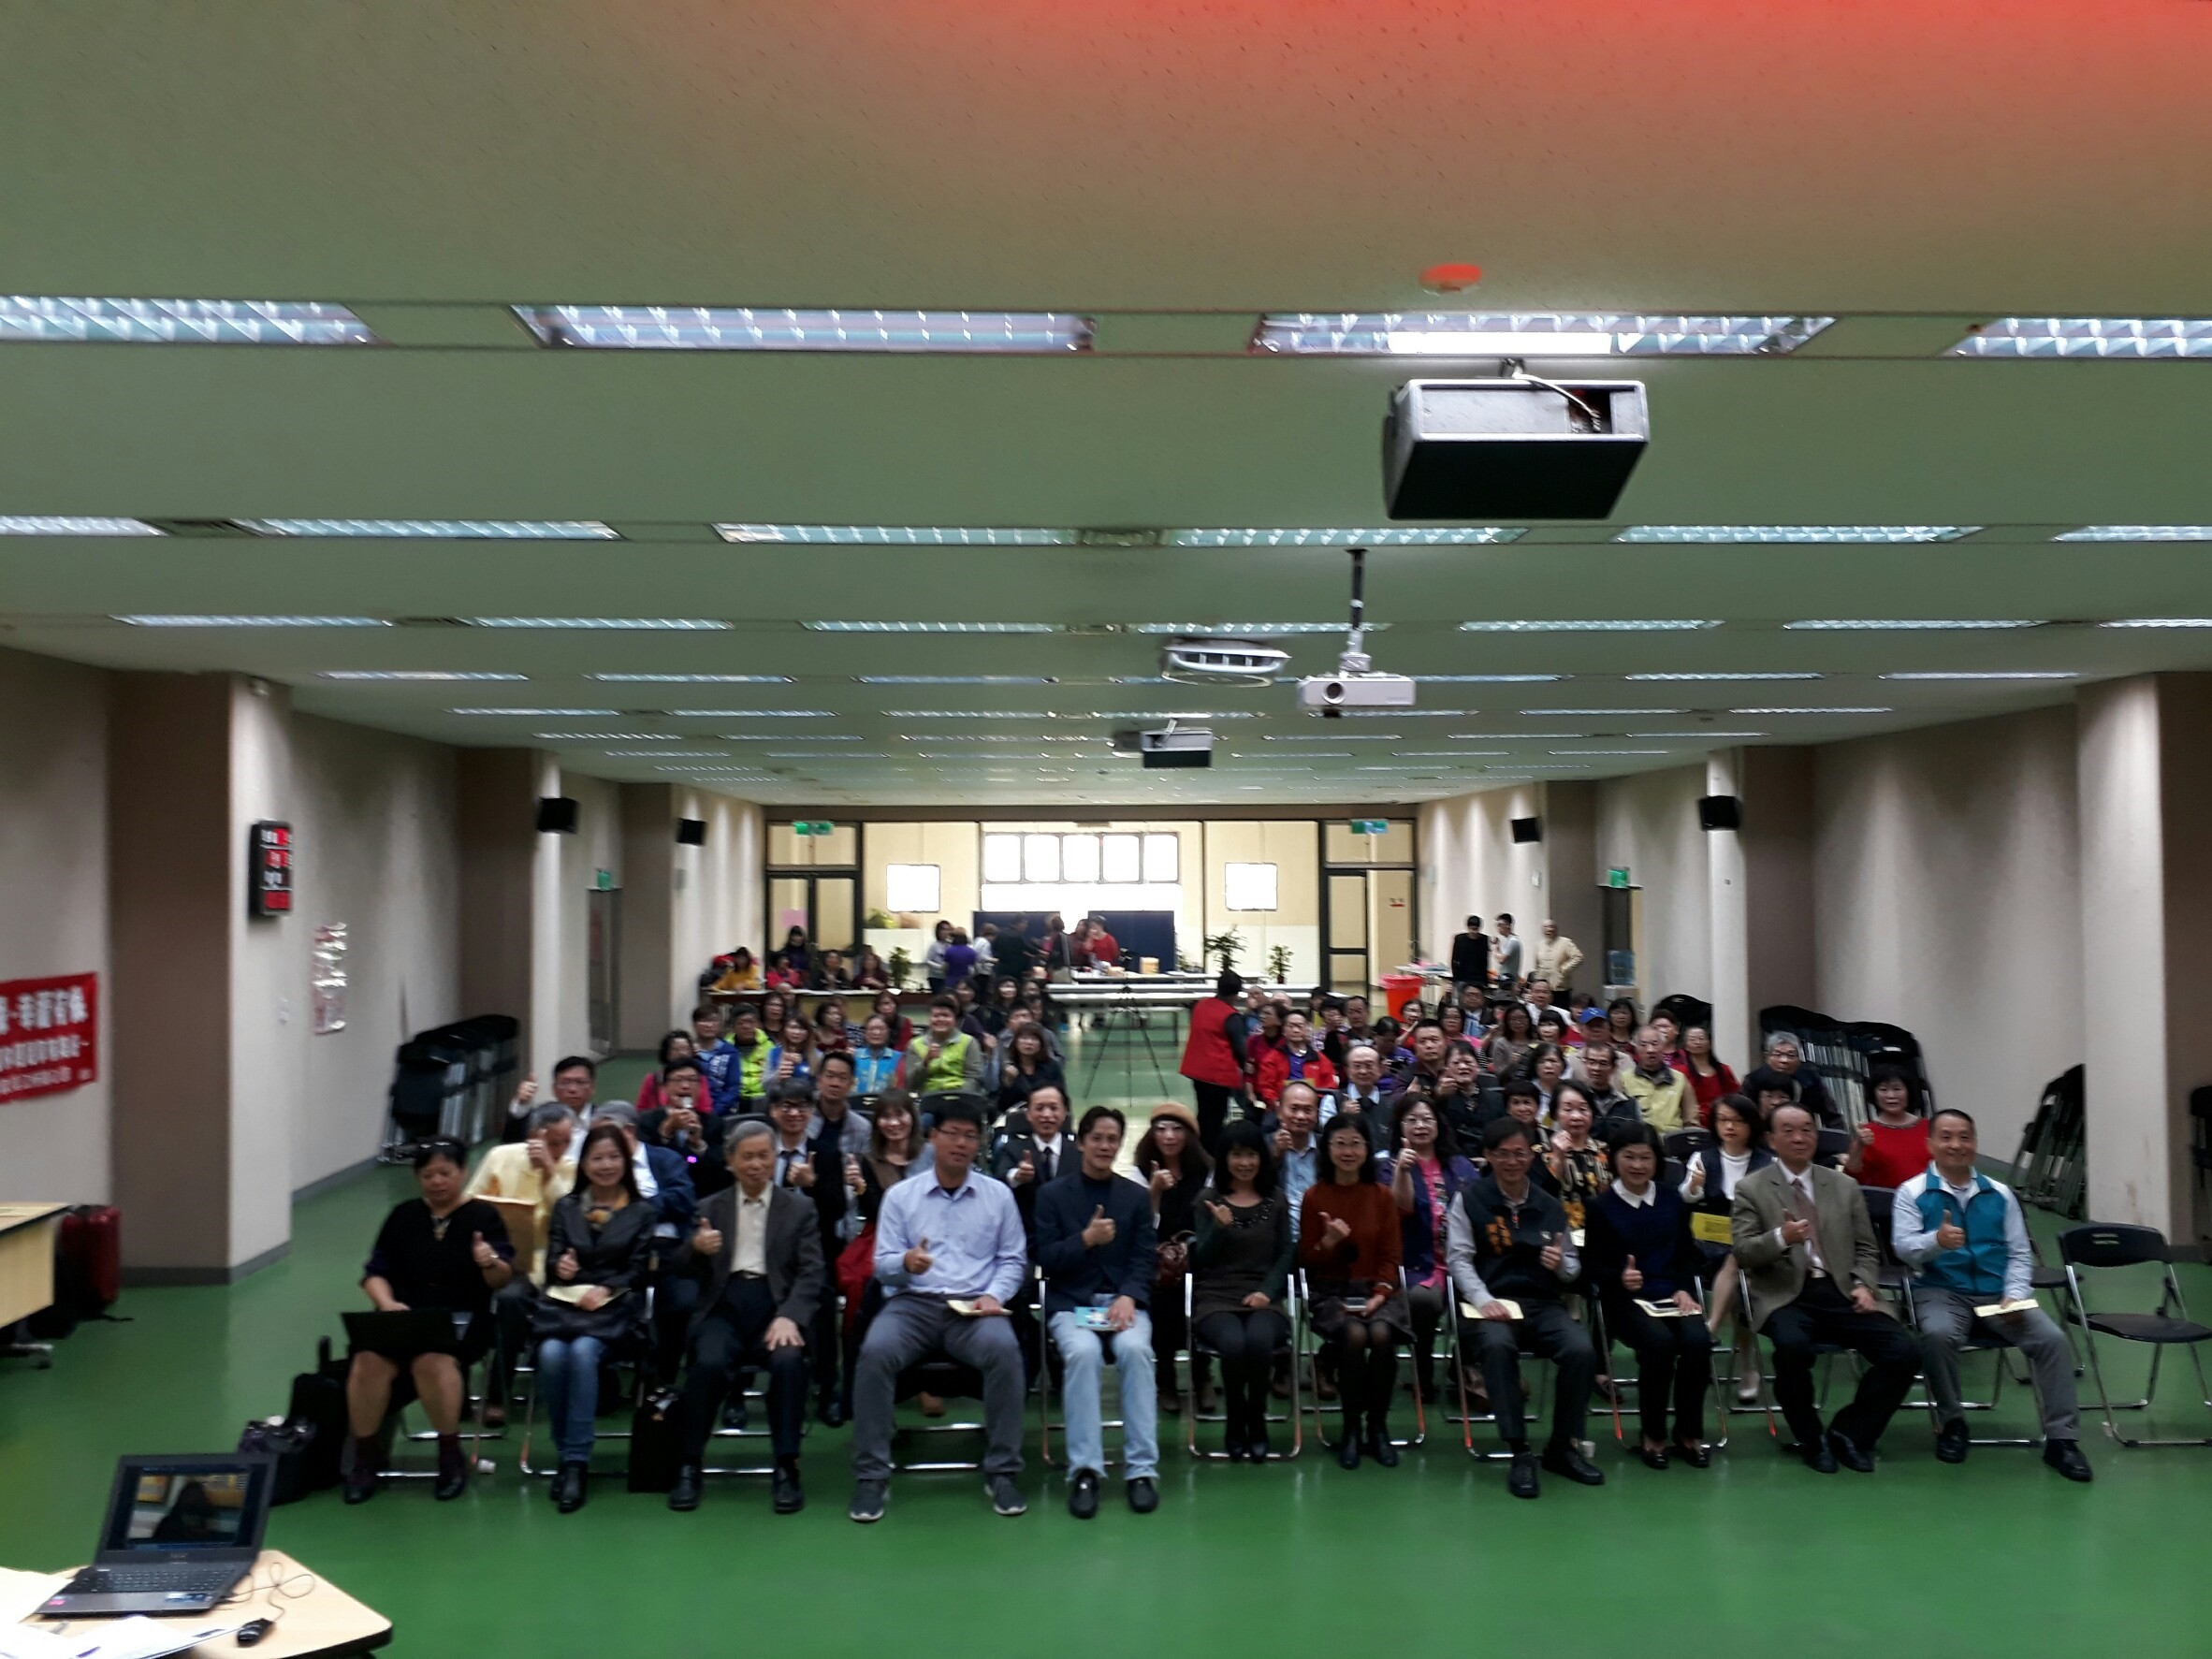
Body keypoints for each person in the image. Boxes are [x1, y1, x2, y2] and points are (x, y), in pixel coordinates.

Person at [851, 1098, 1030, 1522]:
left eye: (970, 1136)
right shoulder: (901, 1197)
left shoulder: (998, 1196)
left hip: (974, 1307)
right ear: (933, 1138)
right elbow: (882, 1264)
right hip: (914, 1303)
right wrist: (905, 1263)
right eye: (952, 1134)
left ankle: (1003, 1470)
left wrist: (995, 1296)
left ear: (979, 1143)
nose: (961, 1144)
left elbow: (1013, 1260)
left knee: (1006, 1352)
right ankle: (872, 1475)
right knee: (874, 1352)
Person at [1894, 1110, 2092, 1481]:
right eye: (1946, 1137)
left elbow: (2019, 1253)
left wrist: (2014, 1295)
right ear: (1930, 1144)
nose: (1956, 1145)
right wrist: (1936, 1241)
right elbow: (1903, 1249)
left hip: (1996, 1293)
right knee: (1937, 1335)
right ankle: (1952, 1423)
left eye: (1965, 1137)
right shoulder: (1912, 1192)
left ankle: (2062, 1440)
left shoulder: (2000, 1194)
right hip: (1941, 1289)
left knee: (2052, 1339)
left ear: (1975, 1143)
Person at [1731, 1103, 1921, 1473]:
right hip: (1784, 1294)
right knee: (1792, 1348)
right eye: (1788, 1131)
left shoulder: (1843, 1185)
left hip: (1841, 1289)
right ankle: (1811, 1437)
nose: (1799, 1138)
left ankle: (1850, 1433)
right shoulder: (1751, 1188)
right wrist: (1781, 1237)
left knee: (1905, 1353)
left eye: (1807, 1129)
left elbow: (1867, 1248)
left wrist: (1864, 1284)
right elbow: (1743, 1252)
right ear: (1771, 1139)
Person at [668, 1119, 826, 1515]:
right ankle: (689, 1463)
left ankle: (786, 1465)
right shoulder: (710, 1207)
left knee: (789, 1362)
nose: (756, 1165)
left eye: (764, 1156)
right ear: (730, 1161)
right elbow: (680, 1268)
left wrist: (791, 1316)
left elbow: (813, 1273)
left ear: (775, 1159)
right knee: (707, 1363)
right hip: (723, 1306)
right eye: (748, 1157)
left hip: (775, 1305)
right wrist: (696, 1248)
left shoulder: (799, 1209)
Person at [344, 1140, 515, 1504]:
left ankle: (450, 1456)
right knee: (367, 1362)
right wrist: (386, 1303)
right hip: (403, 1314)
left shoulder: (483, 1217)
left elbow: (501, 1280)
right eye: (428, 1175)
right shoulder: (402, 1215)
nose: (436, 1181)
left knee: (432, 1362)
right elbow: (374, 1273)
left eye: (445, 1173)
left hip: (462, 1318)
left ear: (462, 1172)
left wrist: (488, 1261)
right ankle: (365, 1458)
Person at [1448, 1117, 1603, 1499]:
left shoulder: (1549, 1204)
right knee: (1497, 1346)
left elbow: (1571, 1268)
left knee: (1581, 1350)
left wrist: (1560, 1264)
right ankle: (1519, 1450)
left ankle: (1562, 1446)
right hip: (1490, 1303)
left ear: (1532, 1156)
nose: (1512, 1162)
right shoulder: (1470, 1199)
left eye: (1520, 1154)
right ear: (1488, 1156)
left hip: (1541, 1302)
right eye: (1503, 1154)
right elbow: (1459, 1260)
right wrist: (1483, 1300)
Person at [1035, 1106, 1161, 1516]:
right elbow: (1046, 1258)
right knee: (1083, 1353)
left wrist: (1130, 1295)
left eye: (1112, 1139)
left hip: (1122, 1303)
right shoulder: (1052, 1195)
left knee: (1136, 1351)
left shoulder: (1135, 1197)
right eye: (1097, 1138)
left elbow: (1144, 1258)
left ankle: (1141, 1469)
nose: (1105, 1146)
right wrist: (1086, 1240)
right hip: (1072, 1302)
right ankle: (1085, 1470)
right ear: (1081, 1142)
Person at [533, 1123, 655, 1511]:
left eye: (614, 1157)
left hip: (616, 1309)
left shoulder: (641, 1211)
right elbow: (552, 1258)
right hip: (566, 1306)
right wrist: (561, 1266)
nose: (606, 1165)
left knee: (584, 1353)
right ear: (584, 1164)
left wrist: (605, 1288)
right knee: (551, 1355)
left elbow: (639, 1270)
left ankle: (576, 1463)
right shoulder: (567, 1207)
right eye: (597, 1158)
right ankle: (565, 1452)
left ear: (626, 1162)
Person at [1585, 1122, 1713, 1469]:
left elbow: (1686, 1254)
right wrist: (1620, 1277)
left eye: (1645, 1158)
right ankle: (1653, 1435)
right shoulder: (1600, 1207)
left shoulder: (1672, 1199)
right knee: (1659, 1344)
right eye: (1629, 1157)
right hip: (1625, 1301)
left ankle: (1689, 1433)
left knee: (1698, 1342)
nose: (1638, 1165)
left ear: (1657, 1161)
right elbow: (1592, 1267)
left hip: (1672, 1294)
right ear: (1614, 1159)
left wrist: (1684, 1289)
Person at [1300, 1113, 1410, 1468]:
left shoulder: (1382, 1196)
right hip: (1330, 1291)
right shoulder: (1314, 1197)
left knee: (1380, 1334)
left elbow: (1391, 1256)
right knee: (1354, 1335)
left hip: (1377, 1288)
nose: (1348, 1152)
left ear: (1367, 1149)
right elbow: (1308, 1260)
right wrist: (1329, 1242)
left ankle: (1377, 1427)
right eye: (1340, 1144)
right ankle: (1350, 1429)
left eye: (1355, 1144)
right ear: (1327, 1149)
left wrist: (1380, 1293)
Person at [465, 1100, 577, 1425]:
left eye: (565, 1142)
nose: (560, 1149)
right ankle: (458, 1387)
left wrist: (550, 1170)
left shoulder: (570, 1169)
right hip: (493, 1255)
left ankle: (498, 1392)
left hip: (542, 1264)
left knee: (511, 1300)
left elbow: (570, 1217)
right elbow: (471, 1205)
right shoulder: (500, 1157)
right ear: (534, 1136)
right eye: (552, 1142)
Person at [1191, 1120, 1294, 1459]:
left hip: (1265, 1297)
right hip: (1216, 1297)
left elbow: (1286, 1253)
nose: (1245, 1163)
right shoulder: (1207, 1200)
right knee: (1234, 1344)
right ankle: (1236, 1419)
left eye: (1252, 1154)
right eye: (1237, 1155)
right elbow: (1201, 1260)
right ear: (1225, 1159)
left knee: (1260, 1342)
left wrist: (1267, 1291)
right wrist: (1219, 1229)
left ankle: (1257, 1418)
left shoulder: (1276, 1200)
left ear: (1262, 1157)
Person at [1683, 1093, 1774, 1402]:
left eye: (1738, 1121)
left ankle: (1710, 1329)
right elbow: (1685, 1197)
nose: (1730, 1127)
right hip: (1708, 1243)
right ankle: (1748, 1366)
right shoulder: (1702, 1158)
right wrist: (1694, 1185)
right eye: (1723, 1120)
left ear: (1751, 1125)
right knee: (1739, 1278)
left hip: (1752, 1242)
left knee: (1740, 1262)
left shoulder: (1768, 1163)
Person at [1388, 1095, 1477, 1402]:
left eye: (1427, 1119)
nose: (1420, 1126)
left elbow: (1480, 1207)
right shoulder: (1388, 1165)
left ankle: (1463, 1366)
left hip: (1464, 1260)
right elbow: (1401, 1209)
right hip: (1418, 1262)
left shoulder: (1460, 1165)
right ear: (1400, 1127)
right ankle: (1421, 1368)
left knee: (1492, 1294)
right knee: (1423, 1301)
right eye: (1412, 1120)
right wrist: (1402, 1171)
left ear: (1439, 1124)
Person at [1134, 1101, 1214, 1412]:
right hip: (1155, 1257)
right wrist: (1154, 1191)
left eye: (1177, 1129)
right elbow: (1143, 1228)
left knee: (1200, 1292)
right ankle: (1165, 1376)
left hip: (1195, 1254)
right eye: (1161, 1129)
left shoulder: (1206, 1173)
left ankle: (1201, 1374)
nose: (1169, 1136)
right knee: (1162, 1296)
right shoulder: (1140, 1172)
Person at [1179, 968, 1252, 1151]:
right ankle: (1211, 1154)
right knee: (1216, 1119)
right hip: (1218, 1075)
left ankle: (1198, 1151)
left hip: (1197, 1071)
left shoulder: (1201, 1005)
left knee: (1203, 1115)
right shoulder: (1231, 1016)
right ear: (1236, 994)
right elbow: (1241, 1049)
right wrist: (1248, 1069)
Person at [993, 1083, 1072, 1237]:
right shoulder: (1012, 1149)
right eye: (1039, 1108)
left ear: (1064, 1113)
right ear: (1028, 1114)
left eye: (1053, 1108)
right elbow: (1000, 1178)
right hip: (1026, 1234)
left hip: (1068, 1235)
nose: (1047, 1115)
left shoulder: (1079, 1151)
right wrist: (1017, 1176)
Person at [639, 1056, 723, 1197]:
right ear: (665, 1087)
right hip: (660, 1193)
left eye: (692, 1080)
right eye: (678, 1080)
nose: (685, 1086)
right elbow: (644, 1163)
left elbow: (717, 1169)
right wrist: (665, 1133)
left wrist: (698, 1146)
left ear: (700, 1087)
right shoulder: (647, 1121)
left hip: (701, 1193)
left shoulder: (713, 1123)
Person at [1537, 1080, 1610, 1230]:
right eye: (1568, 1109)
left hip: (1601, 1232)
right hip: (1561, 1233)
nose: (1576, 1116)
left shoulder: (1604, 1150)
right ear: (1555, 1113)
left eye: (1583, 1109)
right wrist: (1558, 1157)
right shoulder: (1540, 1153)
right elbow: (1541, 1197)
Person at [1844, 1065, 1931, 1189]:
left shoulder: (1929, 1127)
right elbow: (1852, 1177)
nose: (1891, 1095)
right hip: (1889, 1199)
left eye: (1897, 1089)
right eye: (1883, 1089)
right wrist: (1859, 1145)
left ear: (1908, 1091)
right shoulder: (1866, 1133)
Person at [502, 1053, 599, 1143]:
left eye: (580, 1082)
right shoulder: (539, 1118)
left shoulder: (602, 1119)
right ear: (554, 1089)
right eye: (565, 1083)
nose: (572, 1089)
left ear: (593, 1087)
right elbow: (511, 1143)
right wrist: (521, 1104)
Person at [1254, 1011, 1340, 1107]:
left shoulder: (1321, 1059)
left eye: (1300, 1026)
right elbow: (1266, 1086)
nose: (1295, 1030)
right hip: (1281, 1106)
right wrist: (1275, 1103)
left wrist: (1318, 1103)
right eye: (1291, 1026)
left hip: (1315, 1106)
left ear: (1307, 1029)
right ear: (1283, 1030)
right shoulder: (1271, 1058)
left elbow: (1330, 1086)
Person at [905, 994, 984, 1098]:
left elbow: (974, 1078)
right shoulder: (915, 1044)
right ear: (929, 1019)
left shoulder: (969, 1042)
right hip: (929, 1098)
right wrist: (926, 1062)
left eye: (946, 1016)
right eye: (936, 1016)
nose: (941, 1019)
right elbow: (911, 1084)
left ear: (955, 1019)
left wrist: (958, 1097)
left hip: (961, 1097)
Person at [1759, 1032, 1841, 1128]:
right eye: (1778, 1055)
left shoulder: (1810, 1081)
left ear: (1798, 1059)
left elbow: (1832, 1117)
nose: (1784, 1060)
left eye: (1790, 1055)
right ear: (1767, 1058)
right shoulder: (1754, 1081)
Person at [1623, 1024, 1692, 1133]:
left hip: (1672, 1139)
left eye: (1655, 1044)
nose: (1650, 1050)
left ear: (1663, 1046)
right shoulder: (1625, 1079)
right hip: (1639, 1140)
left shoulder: (1679, 1079)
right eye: (1643, 1045)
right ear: (1636, 1048)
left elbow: (1691, 1120)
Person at [993, 1024, 1066, 1119]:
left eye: (1034, 1039)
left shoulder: (1052, 1066)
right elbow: (1002, 1105)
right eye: (1024, 1038)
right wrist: (1008, 1083)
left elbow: (1062, 1097)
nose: (1029, 1042)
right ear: (1016, 1042)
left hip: (1047, 1115)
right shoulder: (1008, 1068)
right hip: (1016, 1117)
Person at [711, 1002, 771, 1116]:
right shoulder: (724, 1049)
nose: (746, 1026)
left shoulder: (770, 1046)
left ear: (758, 1024)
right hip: (733, 1101)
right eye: (741, 1023)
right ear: (733, 1027)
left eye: (751, 1022)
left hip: (764, 1099)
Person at [1679, 1025, 1738, 1126]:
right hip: (1694, 1123)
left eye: (1701, 1039)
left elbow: (1735, 1095)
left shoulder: (1724, 1070)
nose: (1697, 1042)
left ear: (1709, 1043)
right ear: (1686, 1045)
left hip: (1721, 1121)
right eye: (1692, 1039)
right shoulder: (1680, 1071)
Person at [638, 1028, 699, 1115]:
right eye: (676, 1049)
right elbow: (641, 1109)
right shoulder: (653, 1079)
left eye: (686, 1049)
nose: (682, 1053)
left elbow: (705, 1109)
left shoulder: (698, 1078)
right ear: (667, 1053)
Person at [1579, 1043, 1638, 1130]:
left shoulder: (1628, 1104)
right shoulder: (1577, 1100)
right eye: (1592, 1062)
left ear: (1614, 1067)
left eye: (1603, 1063)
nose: (1596, 1068)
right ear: (1585, 1064)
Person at [851, 1013, 905, 1095]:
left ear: (888, 1032)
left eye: (881, 1029)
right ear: (865, 1033)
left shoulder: (899, 1058)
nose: (876, 1032)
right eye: (872, 1029)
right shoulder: (853, 1056)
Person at [1480, 1002, 1535, 1077]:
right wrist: (1512, 1065)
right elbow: (1499, 1073)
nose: (1518, 1022)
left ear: (1529, 1019)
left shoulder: (1537, 1043)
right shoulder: (1501, 1044)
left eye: (1522, 1018)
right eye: (1513, 1019)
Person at [1533, 920, 1583, 995]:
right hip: (1543, 987)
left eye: (1551, 927)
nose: (1548, 929)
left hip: (1560, 987)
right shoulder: (1540, 945)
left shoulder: (1565, 942)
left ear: (1556, 929)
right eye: (1545, 927)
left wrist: (1564, 969)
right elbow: (1537, 965)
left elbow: (1578, 957)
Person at [1450, 914, 1491, 995]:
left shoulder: (1484, 939)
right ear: (1468, 928)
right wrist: (1455, 978)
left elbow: (1485, 961)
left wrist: (1486, 981)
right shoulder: (1459, 939)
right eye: (1472, 929)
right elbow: (1454, 959)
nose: (1474, 932)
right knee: (1462, 999)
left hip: (1479, 978)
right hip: (1462, 978)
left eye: (1476, 929)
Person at [1492, 913, 1524, 994]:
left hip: (1509, 981)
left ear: (1508, 925)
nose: (1498, 928)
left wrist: (1494, 948)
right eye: (1497, 925)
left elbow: (1501, 960)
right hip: (1504, 979)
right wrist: (1498, 946)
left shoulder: (1513, 941)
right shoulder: (1508, 940)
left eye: (1500, 925)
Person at [924, 920, 953, 989]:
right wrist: (940, 967)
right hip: (936, 977)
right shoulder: (934, 945)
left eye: (948, 930)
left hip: (948, 977)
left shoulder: (950, 945)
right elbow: (927, 961)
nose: (946, 932)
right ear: (938, 931)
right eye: (944, 930)